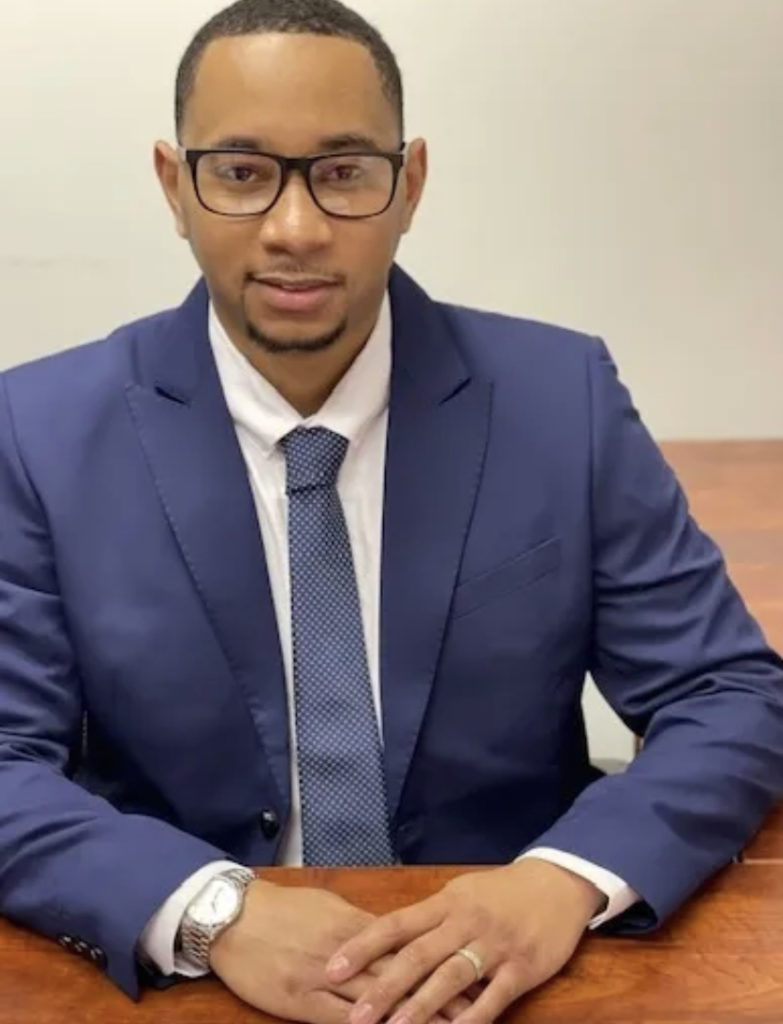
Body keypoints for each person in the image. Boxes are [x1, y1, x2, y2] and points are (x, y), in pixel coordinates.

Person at [1, 0, 782, 1021]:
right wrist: (211, 908)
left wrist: (565, 877)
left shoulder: (560, 397)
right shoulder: (39, 427)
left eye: (343, 171)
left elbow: (727, 692)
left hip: (514, 975)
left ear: (408, 183)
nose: (295, 228)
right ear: (173, 184)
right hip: (187, 982)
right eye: (240, 172)